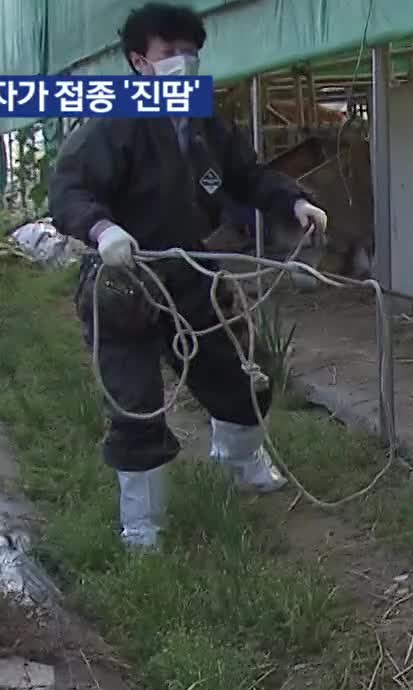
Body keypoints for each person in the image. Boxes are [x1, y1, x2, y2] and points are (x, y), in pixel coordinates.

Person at [49, 2, 329, 549]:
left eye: (190, 51)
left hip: (190, 270)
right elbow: (68, 191)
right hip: (124, 277)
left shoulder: (203, 120)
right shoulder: (113, 119)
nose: (185, 61)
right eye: (170, 52)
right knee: (135, 400)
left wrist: (294, 203)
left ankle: (241, 461)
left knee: (233, 375)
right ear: (138, 62)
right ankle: (142, 526)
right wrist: (103, 229)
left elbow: (247, 176)